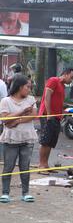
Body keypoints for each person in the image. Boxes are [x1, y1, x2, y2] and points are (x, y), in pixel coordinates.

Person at [0, 76, 38, 204]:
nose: (29, 89)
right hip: (10, 139)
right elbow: (4, 119)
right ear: (19, 87)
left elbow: (33, 116)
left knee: (25, 167)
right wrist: (22, 112)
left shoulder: (31, 100)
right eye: (27, 86)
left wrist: (15, 121)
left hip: (27, 138)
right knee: (8, 167)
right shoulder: (5, 101)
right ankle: (5, 193)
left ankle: (26, 193)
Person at [38, 68, 73, 174]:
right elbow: (47, 97)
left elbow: (58, 102)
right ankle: (41, 165)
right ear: (65, 74)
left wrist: (63, 112)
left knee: (51, 141)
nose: (71, 81)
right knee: (45, 140)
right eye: (71, 77)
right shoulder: (53, 80)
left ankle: (45, 164)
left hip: (56, 116)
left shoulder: (62, 86)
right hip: (48, 115)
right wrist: (49, 114)